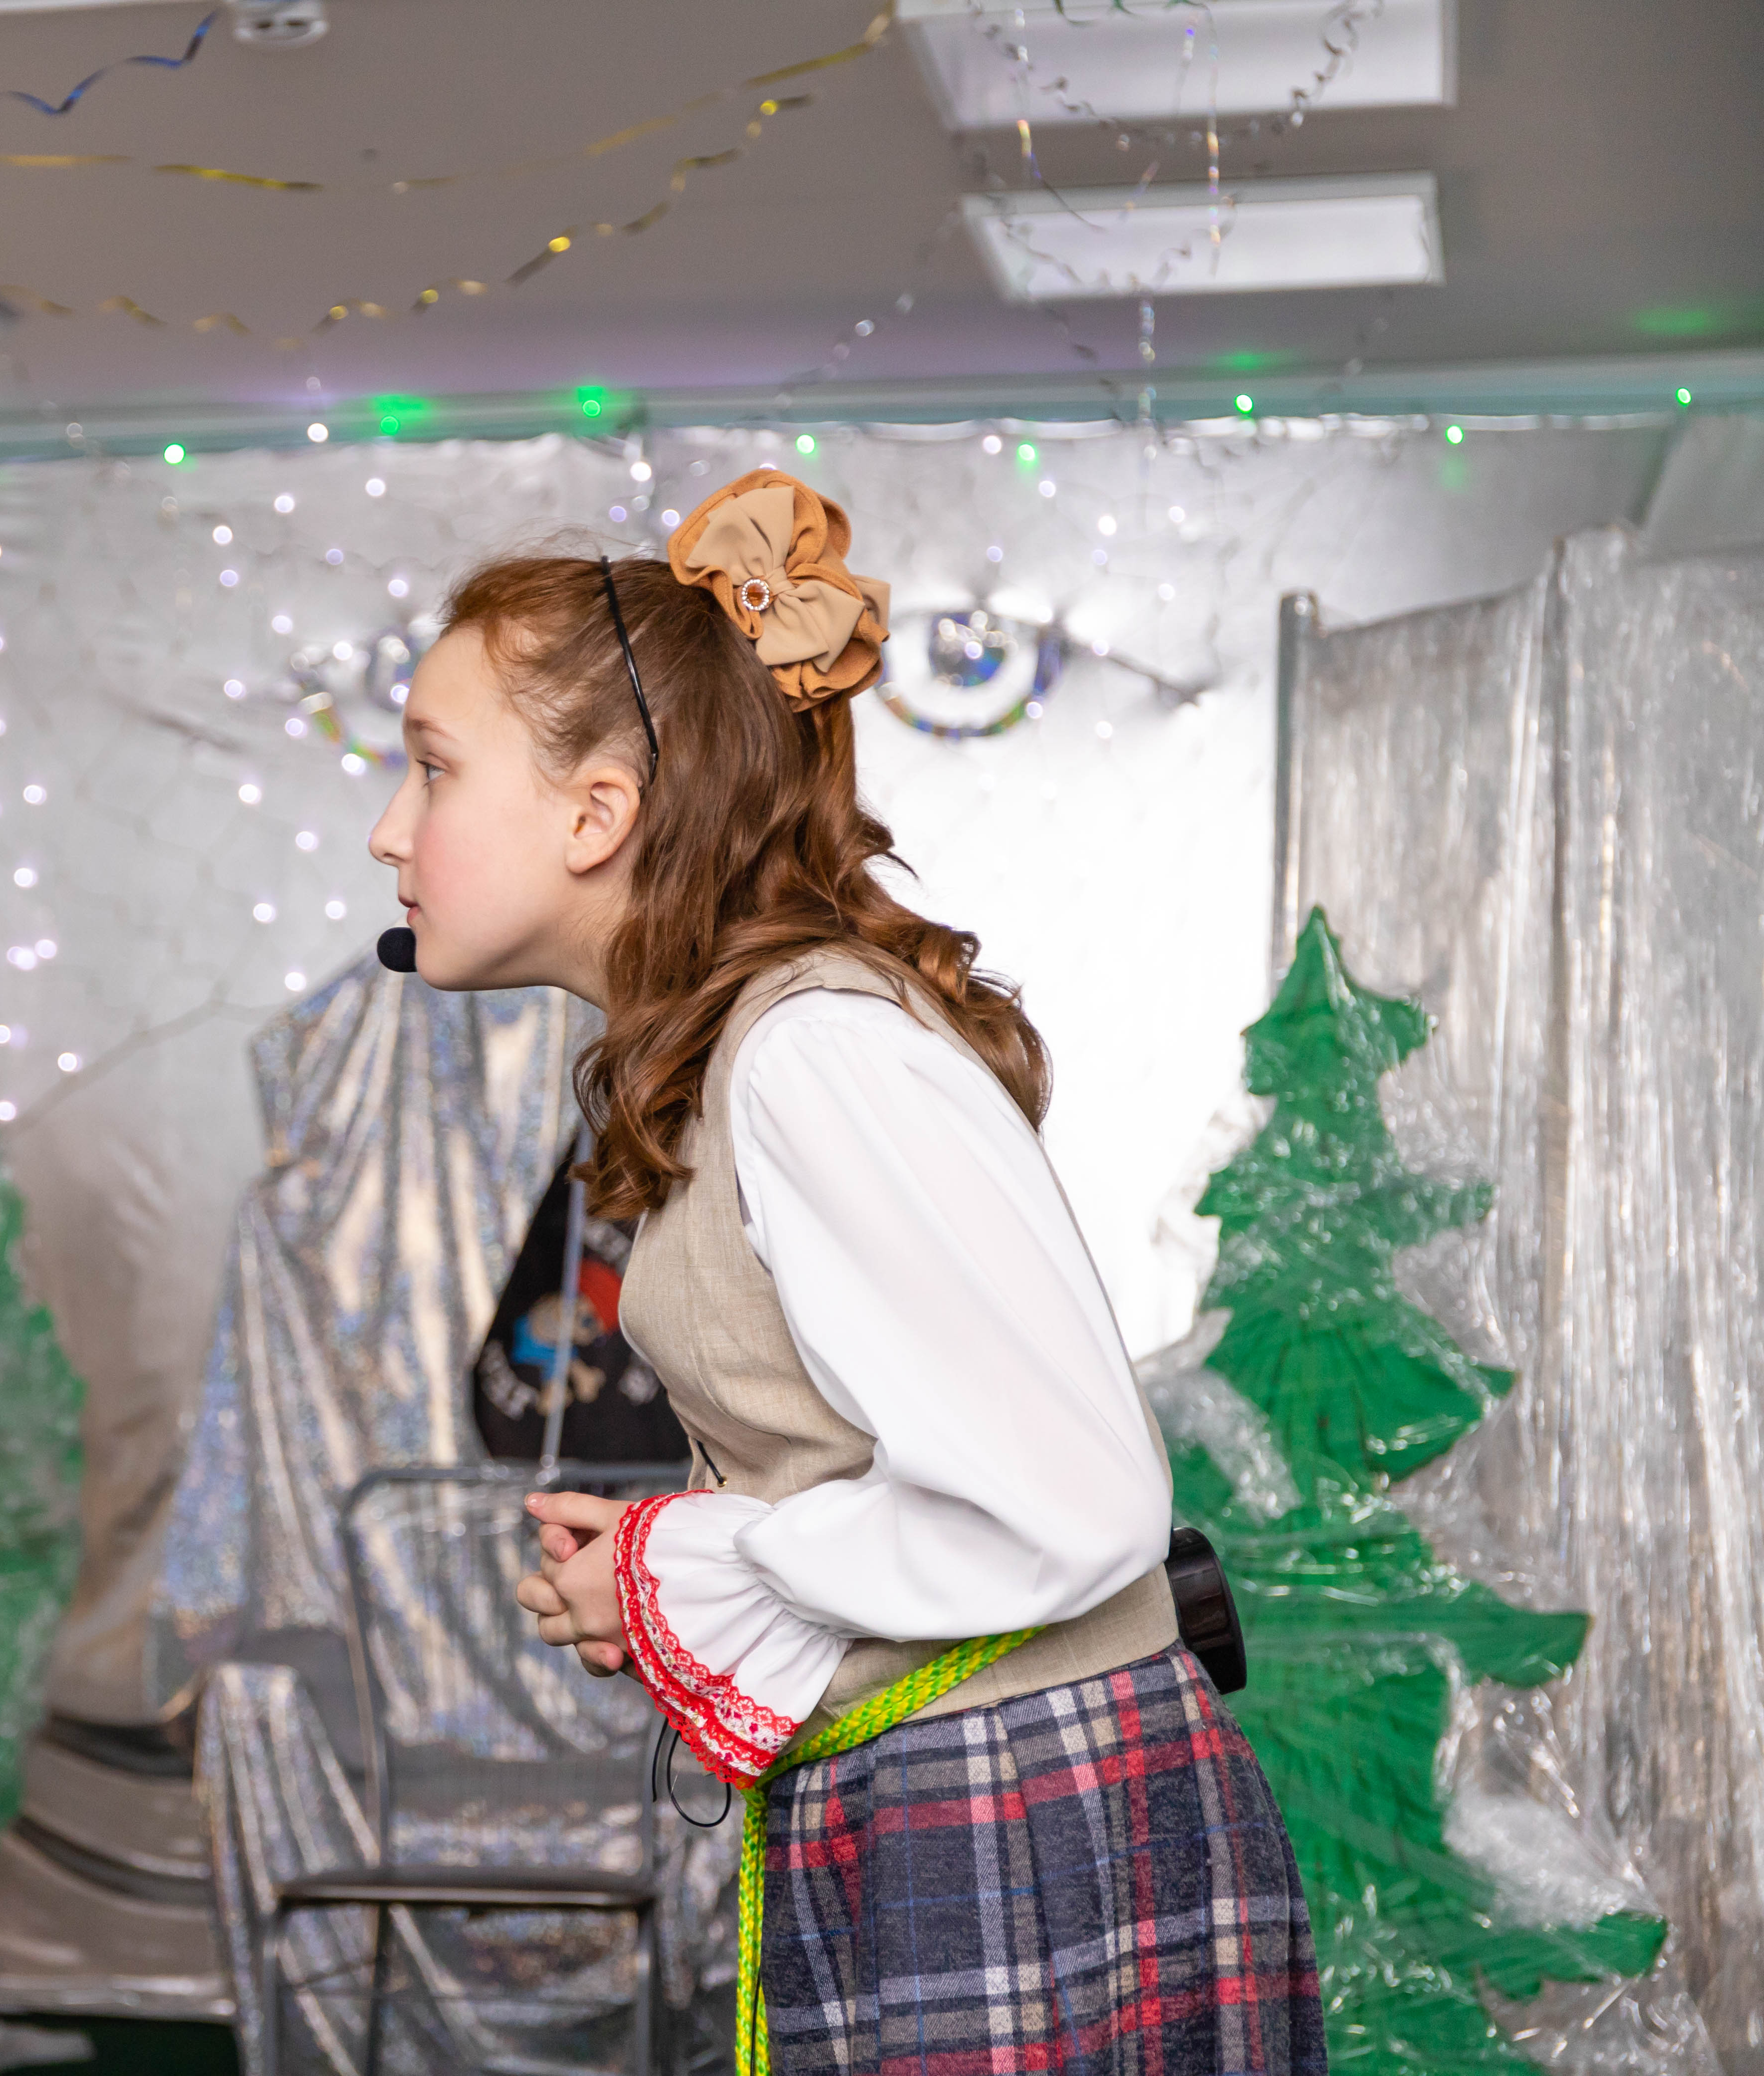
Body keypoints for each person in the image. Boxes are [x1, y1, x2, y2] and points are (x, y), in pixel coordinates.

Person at [367, 472, 1323, 2075]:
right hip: (944, 1798)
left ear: (597, 814)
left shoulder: (815, 1054)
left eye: (432, 768)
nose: (391, 830)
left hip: (1019, 1813)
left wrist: (691, 1566)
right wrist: (678, 1569)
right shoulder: (747, 1054)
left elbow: (1071, 1499)